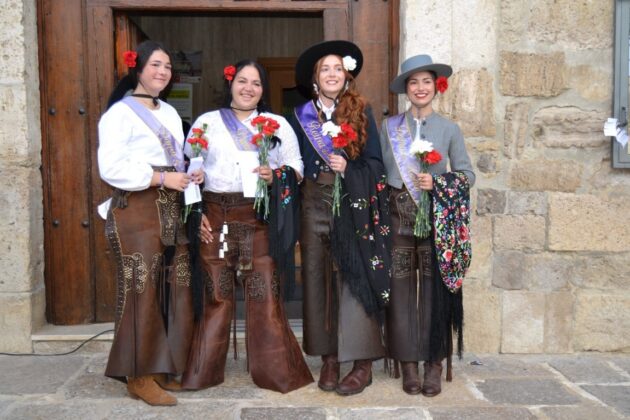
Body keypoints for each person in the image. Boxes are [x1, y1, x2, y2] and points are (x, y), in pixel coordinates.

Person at [180, 59, 313, 393]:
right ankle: (204, 372)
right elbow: (189, 170)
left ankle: (276, 372)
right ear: (231, 83)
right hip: (216, 214)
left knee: (264, 294)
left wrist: (276, 174)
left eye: (256, 83)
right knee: (216, 294)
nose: (248, 88)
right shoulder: (207, 122)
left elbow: (297, 166)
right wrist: (197, 214)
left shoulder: (276, 123)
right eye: (242, 81)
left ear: (262, 90)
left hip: (257, 217)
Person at [97, 40, 204, 406]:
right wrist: (160, 179)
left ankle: (159, 367)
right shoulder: (119, 114)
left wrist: (191, 174)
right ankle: (138, 376)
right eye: (156, 65)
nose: (162, 72)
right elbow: (110, 168)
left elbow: (177, 162)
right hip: (137, 211)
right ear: (137, 68)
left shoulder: (170, 114)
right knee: (140, 290)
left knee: (170, 288)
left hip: (171, 210)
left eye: (168, 67)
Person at [289, 40, 392, 396]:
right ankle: (329, 358)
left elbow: (377, 166)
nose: (331, 74)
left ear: (346, 75)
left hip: (352, 206)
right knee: (318, 283)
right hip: (313, 207)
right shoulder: (299, 116)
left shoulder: (361, 111)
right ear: (315, 79)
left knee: (355, 280)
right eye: (324, 69)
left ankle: (363, 363)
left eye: (337, 68)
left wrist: (350, 168)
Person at [380, 54, 475, 396]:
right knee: (401, 295)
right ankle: (408, 364)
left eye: (426, 81)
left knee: (436, 296)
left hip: (438, 222)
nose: (420, 88)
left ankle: (434, 363)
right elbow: (379, 175)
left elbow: (467, 175)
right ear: (405, 88)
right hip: (398, 219)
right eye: (413, 82)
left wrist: (440, 183)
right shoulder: (389, 127)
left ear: (436, 87)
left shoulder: (449, 129)